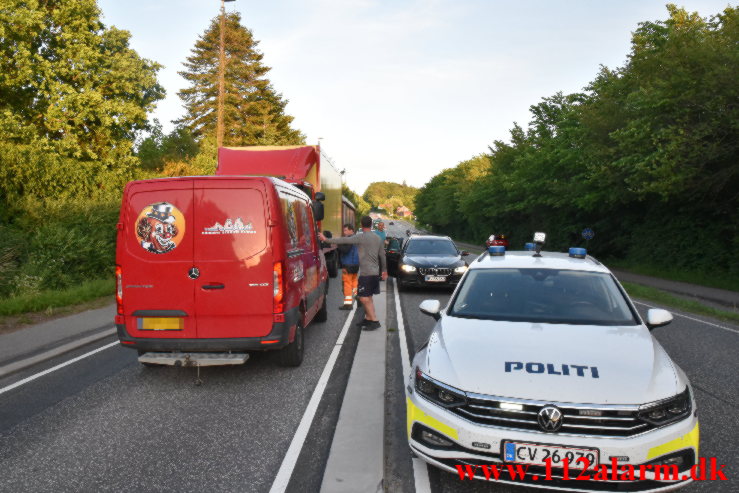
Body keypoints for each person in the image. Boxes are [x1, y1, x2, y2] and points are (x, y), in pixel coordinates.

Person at [319, 216, 388, 330]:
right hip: (374, 273)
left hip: (366, 273)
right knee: (368, 297)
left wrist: (326, 239)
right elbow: (382, 256)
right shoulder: (378, 238)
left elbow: (343, 240)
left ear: (361, 225)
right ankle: (368, 319)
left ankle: (374, 321)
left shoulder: (360, 237)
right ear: (371, 225)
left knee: (363, 298)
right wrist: (384, 270)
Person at [337, 223, 359, 310]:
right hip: (355, 264)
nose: (344, 232)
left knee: (347, 284)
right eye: (344, 230)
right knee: (354, 283)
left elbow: (345, 250)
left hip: (348, 264)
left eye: (346, 230)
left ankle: (348, 304)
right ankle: (359, 297)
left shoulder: (349, 239)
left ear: (351, 230)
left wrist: (338, 244)